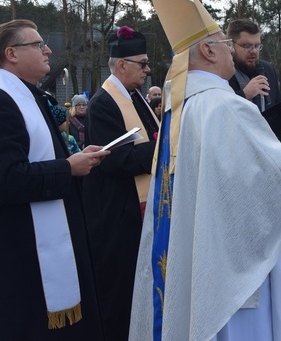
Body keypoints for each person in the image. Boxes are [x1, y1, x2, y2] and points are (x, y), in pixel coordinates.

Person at [130, 0, 281, 340]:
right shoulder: (224, 106)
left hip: (200, 246)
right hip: (233, 264)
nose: (230, 52)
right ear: (207, 51)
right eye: (224, 43)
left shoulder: (183, 107)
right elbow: (270, 179)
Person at [0, 19, 109, 339]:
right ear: (11, 53)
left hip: (37, 236)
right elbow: (5, 179)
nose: (48, 50)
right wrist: (68, 168)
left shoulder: (28, 96)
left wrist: (79, 159)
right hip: (18, 244)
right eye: (38, 45)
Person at [83, 25, 159, 341]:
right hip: (118, 214)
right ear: (121, 65)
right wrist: (163, 146)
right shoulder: (104, 103)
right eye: (142, 63)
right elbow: (116, 159)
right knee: (120, 292)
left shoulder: (135, 96)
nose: (148, 69)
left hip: (137, 207)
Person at [227, 19, 281, 112]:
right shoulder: (221, 73)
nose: (254, 51)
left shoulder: (267, 69)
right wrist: (244, 94)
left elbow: (277, 104)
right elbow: (217, 109)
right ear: (231, 45)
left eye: (257, 46)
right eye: (247, 46)